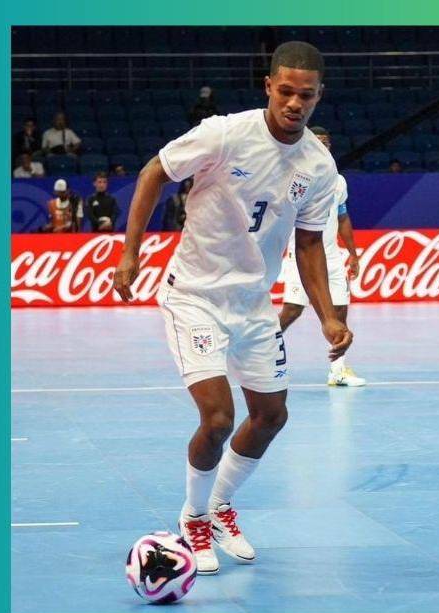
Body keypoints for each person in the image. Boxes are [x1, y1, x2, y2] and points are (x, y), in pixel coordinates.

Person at [112, 41, 352, 575]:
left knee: (271, 415)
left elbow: (310, 244)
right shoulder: (224, 133)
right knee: (219, 418)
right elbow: (155, 170)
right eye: (285, 91)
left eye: (305, 95)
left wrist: (330, 314)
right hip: (194, 296)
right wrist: (130, 253)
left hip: (254, 303)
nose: (294, 102)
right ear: (268, 86)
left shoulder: (318, 163)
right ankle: (193, 516)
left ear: (318, 97)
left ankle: (220, 505)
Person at [278, 126, 365, 387]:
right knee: (291, 311)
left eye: (327, 142)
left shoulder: (338, 181)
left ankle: (337, 370)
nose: (323, 145)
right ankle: (261, 357)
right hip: (302, 254)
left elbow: (343, 217)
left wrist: (353, 253)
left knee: (339, 312)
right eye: (318, 141)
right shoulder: (295, 177)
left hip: (332, 256)